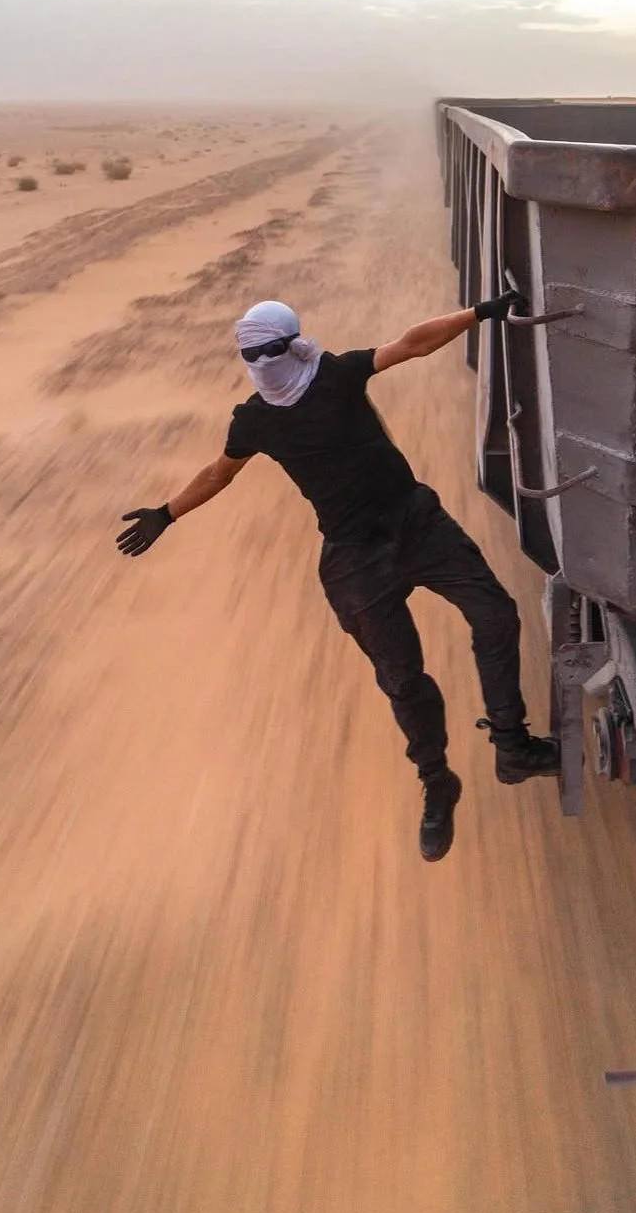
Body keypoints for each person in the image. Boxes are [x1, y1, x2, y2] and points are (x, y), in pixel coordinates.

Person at [116, 294, 560, 863]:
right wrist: (166, 513)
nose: (262, 363)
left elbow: (413, 343)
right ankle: (437, 781)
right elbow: (218, 473)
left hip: (416, 523)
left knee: (495, 617)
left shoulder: (332, 376)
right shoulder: (259, 416)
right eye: (253, 354)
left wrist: (481, 313)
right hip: (354, 558)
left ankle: (512, 745)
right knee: (402, 678)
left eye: (266, 351)